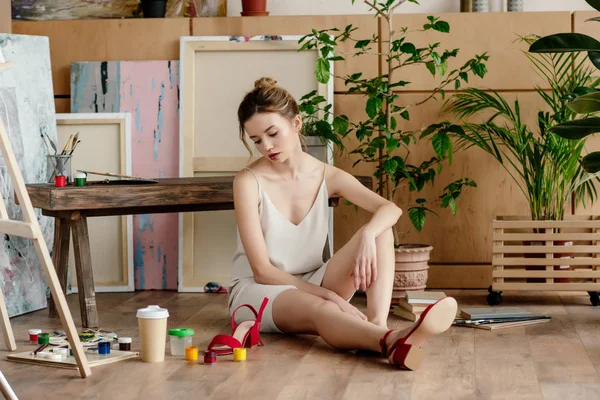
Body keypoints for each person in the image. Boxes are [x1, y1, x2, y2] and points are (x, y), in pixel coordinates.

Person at [225, 77, 457, 370]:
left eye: (273, 133)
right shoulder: (247, 181)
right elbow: (262, 271)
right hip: (260, 289)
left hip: (314, 277)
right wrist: (331, 296)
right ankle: (389, 340)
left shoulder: (327, 175)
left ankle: (377, 325)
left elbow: (390, 208)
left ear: (296, 123)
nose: (266, 146)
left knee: (380, 230)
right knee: (322, 308)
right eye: (257, 140)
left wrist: (367, 235)